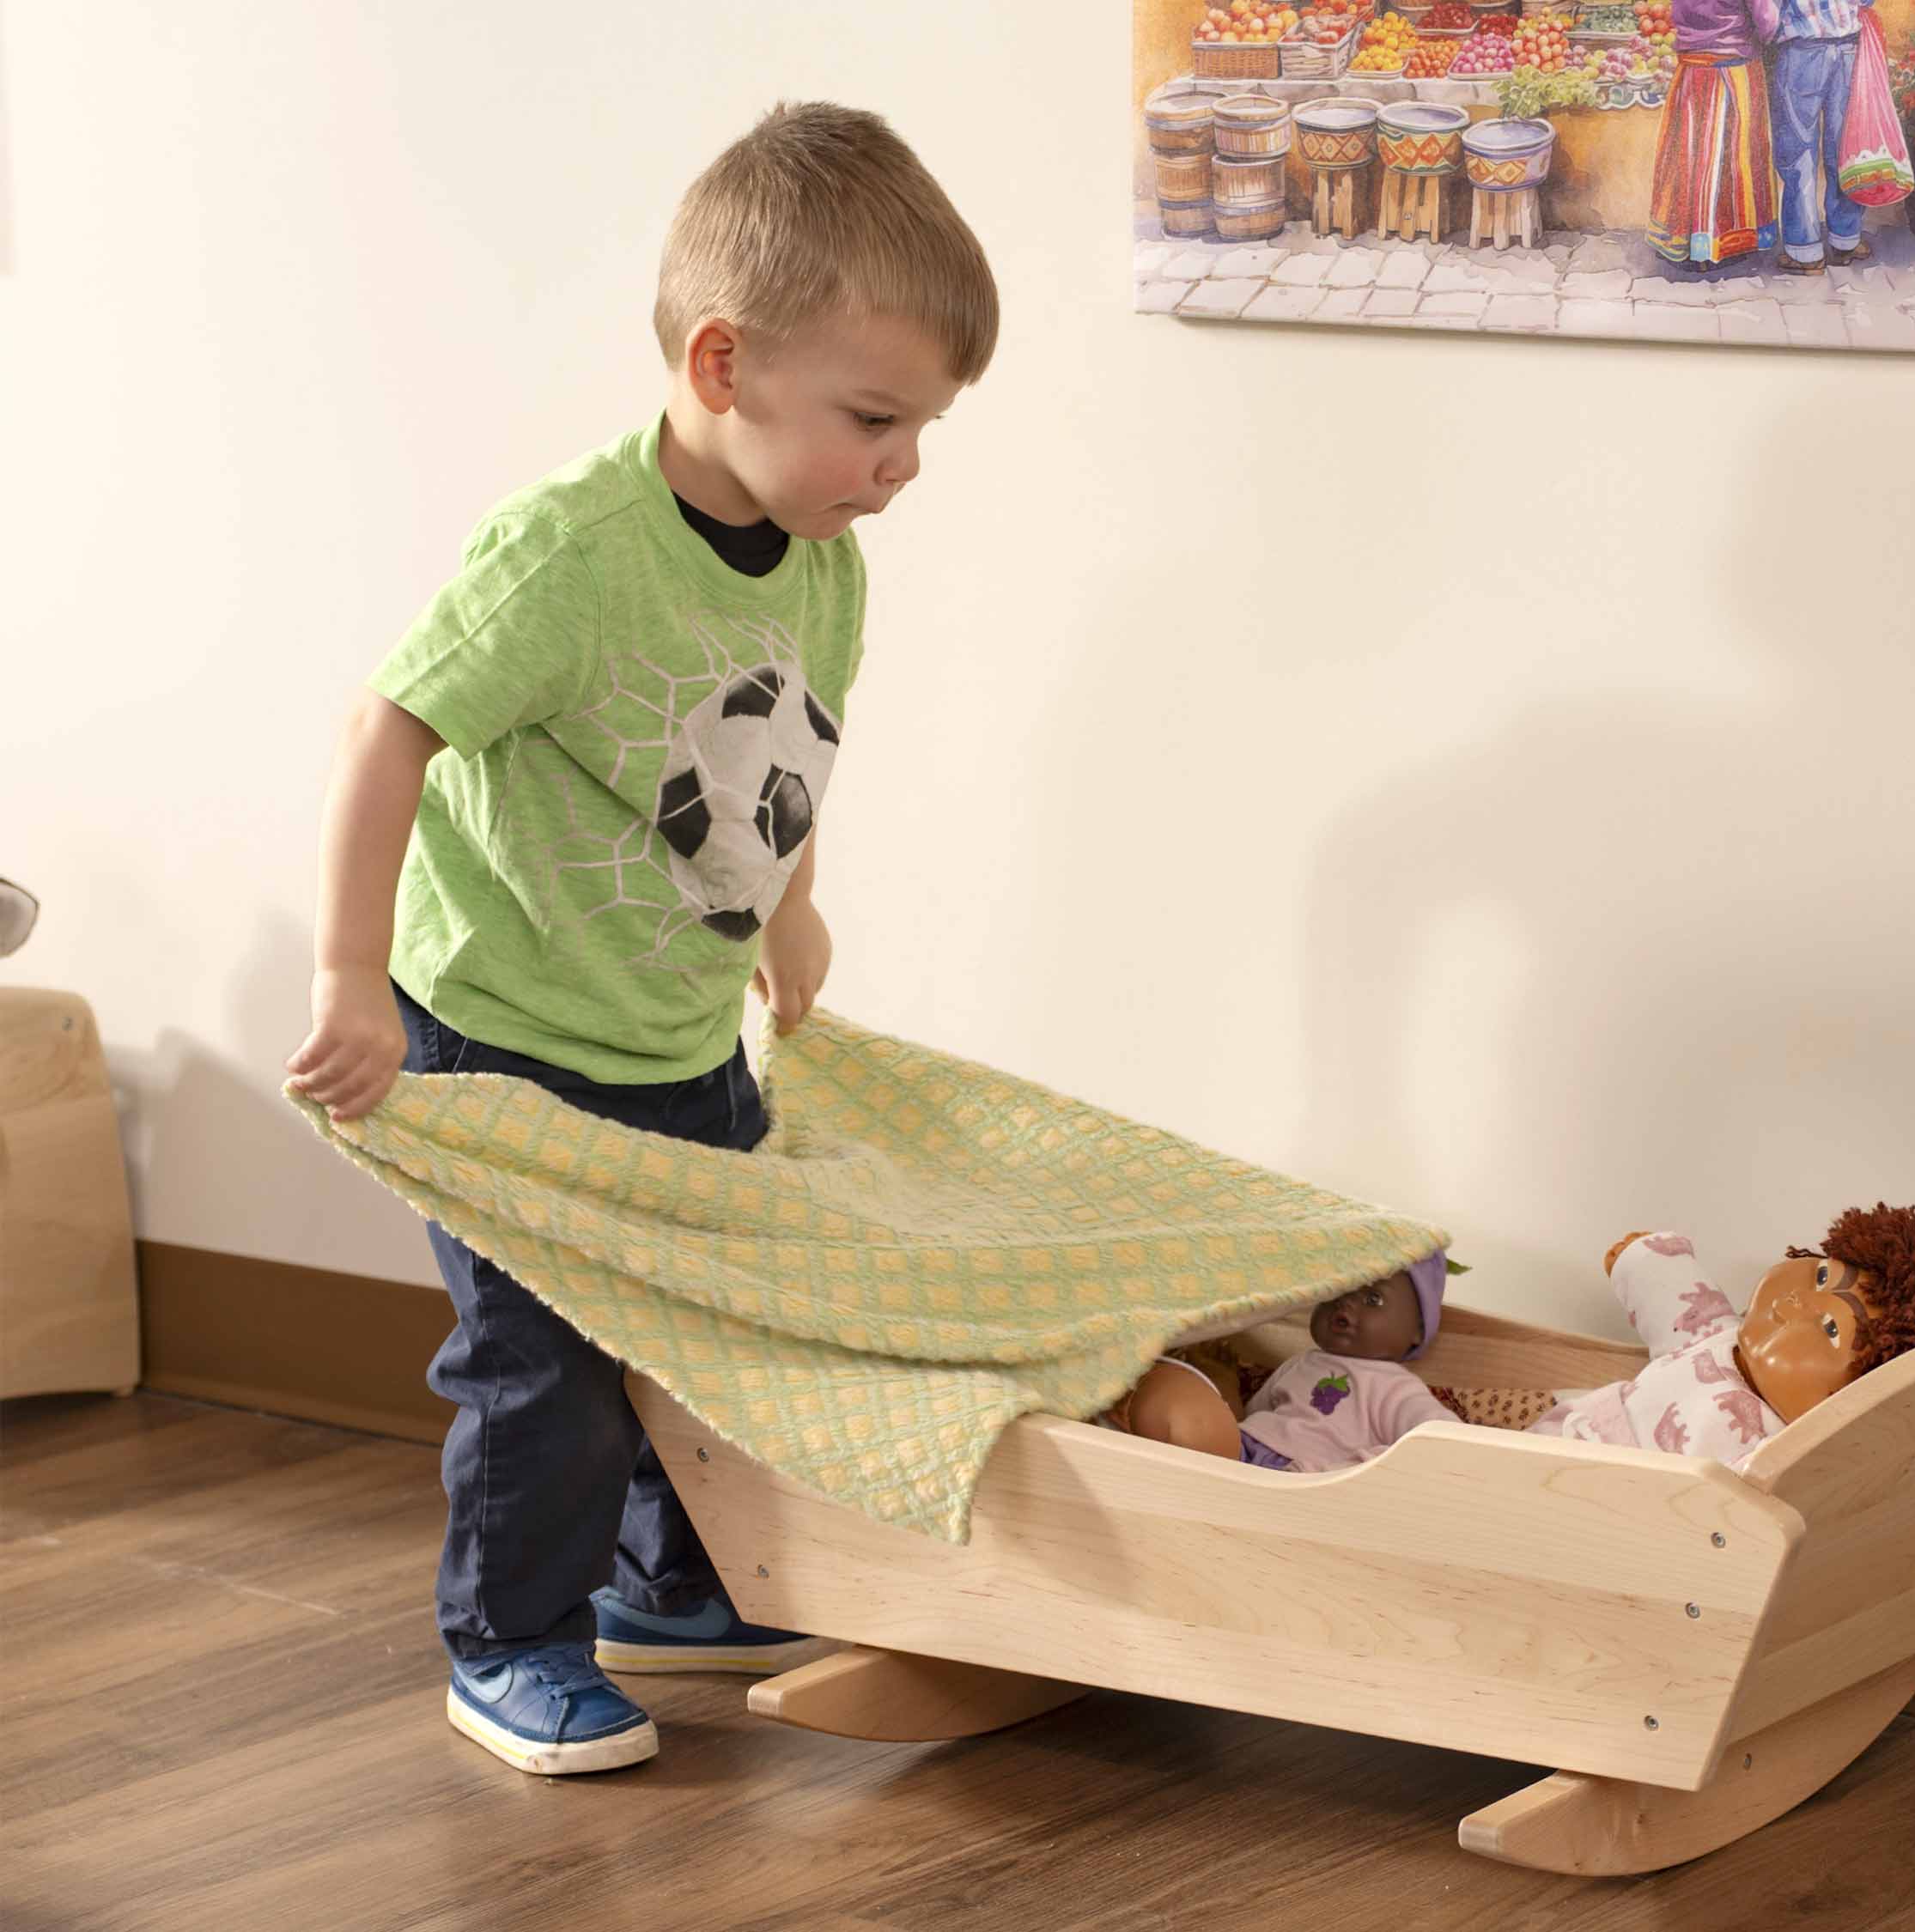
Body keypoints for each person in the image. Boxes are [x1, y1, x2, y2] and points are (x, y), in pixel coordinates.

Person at [284, 104, 1000, 1776]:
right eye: (876, 419)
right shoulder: (571, 560)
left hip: (676, 1033)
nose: (901, 467)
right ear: (724, 361)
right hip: (504, 1037)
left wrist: (793, 904)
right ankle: (510, 1646)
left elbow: (793, 746)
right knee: (546, 1373)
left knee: (710, 1327)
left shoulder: (822, 559)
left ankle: (667, 1586)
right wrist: (347, 978)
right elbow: (390, 730)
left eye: (922, 430)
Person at [1527, 1206, 1915, 1460]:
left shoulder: (1781, 1452)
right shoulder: (1725, 1339)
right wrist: (1642, 1259)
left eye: (1830, 1328)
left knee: (1450, 1450)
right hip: (1562, 1428)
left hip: (1591, 1500)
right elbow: (1683, 1307)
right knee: (1459, 1426)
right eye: (1825, 1275)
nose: (1795, 1302)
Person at [1104, 1253, 1456, 1472]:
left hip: (1302, 1482)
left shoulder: (1394, 1386)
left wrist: (1343, 1473)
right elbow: (1249, 1420)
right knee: (1175, 1393)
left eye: (1373, 1298)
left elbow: (1442, 1443)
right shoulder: (1299, 1363)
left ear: (1417, 1331)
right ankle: (1109, 1403)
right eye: (1343, 1288)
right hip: (1238, 1456)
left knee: (1192, 1420)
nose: (1348, 1303)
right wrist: (1225, 1387)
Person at [1646, 0, 1784, 270]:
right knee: (1733, 157)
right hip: (1734, 71)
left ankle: (1685, 241)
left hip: (1691, 70)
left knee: (1690, 155)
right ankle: (1719, 243)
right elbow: (1768, 23)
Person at [1768, 0, 1878, 273]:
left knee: (1798, 152)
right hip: (1848, 49)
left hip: (1801, 50)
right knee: (1844, 147)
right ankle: (1846, 239)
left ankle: (1804, 249)